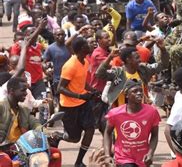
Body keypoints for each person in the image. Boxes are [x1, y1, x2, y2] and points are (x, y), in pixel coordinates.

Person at [58, 37, 97, 167]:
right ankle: (57, 135)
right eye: (88, 44)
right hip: (69, 106)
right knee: (74, 138)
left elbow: (81, 82)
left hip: (83, 104)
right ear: (81, 49)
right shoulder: (70, 65)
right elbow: (60, 88)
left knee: (90, 129)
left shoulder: (85, 62)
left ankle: (79, 162)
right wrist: (80, 96)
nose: (91, 45)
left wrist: (93, 90)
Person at [103, 79, 160, 167]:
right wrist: (107, 155)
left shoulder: (152, 112)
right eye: (135, 91)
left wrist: (150, 153)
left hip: (143, 158)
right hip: (123, 157)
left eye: (140, 91)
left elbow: (155, 135)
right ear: (126, 95)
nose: (139, 93)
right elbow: (107, 132)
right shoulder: (115, 113)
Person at [43, 28, 71, 97]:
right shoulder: (50, 48)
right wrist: (46, 72)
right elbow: (43, 62)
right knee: (60, 98)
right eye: (58, 35)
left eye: (62, 35)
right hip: (58, 79)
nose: (60, 36)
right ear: (54, 36)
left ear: (65, 36)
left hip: (71, 77)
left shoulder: (70, 46)